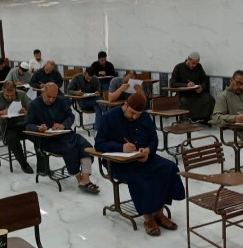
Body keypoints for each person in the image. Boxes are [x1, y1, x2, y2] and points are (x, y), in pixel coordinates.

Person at [95, 93, 185, 236]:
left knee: (169, 168)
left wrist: (148, 150)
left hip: (143, 157)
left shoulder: (144, 116)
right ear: (125, 105)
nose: (135, 117)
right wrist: (120, 147)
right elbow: (99, 143)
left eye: (139, 114)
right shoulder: (109, 118)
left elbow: (153, 140)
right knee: (139, 176)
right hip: (119, 162)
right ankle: (148, 217)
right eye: (132, 113)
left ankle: (159, 212)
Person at [24, 83, 99, 194]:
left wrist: (63, 125)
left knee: (86, 146)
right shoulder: (34, 105)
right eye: (49, 96)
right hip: (48, 140)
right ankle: (79, 178)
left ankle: (85, 178)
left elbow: (71, 116)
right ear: (43, 92)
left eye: (54, 97)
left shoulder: (61, 101)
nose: (51, 100)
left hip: (66, 133)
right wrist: (38, 128)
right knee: (69, 149)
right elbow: (28, 125)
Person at [0, 82, 33, 174]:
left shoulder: (21, 95)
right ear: (3, 91)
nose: (10, 98)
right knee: (12, 139)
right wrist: (2, 112)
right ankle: (24, 164)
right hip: (7, 127)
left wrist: (25, 112)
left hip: (23, 124)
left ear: (15, 90)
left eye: (12, 95)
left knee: (38, 135)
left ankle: (43, 163)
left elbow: (33, 110)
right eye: (7, 96)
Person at [170, 51, 215, 123]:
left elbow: (204, 81)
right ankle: (191, 119)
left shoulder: (199, 67)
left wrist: (201, 87)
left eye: (196, 63)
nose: (195, 65)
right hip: (183, 94)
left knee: (208, 98)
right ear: (188, 60)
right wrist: (186, 85)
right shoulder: (178, 67)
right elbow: (172, 84)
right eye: (193, 63)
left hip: (196, 93)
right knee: (184, 101)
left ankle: (204, 119)